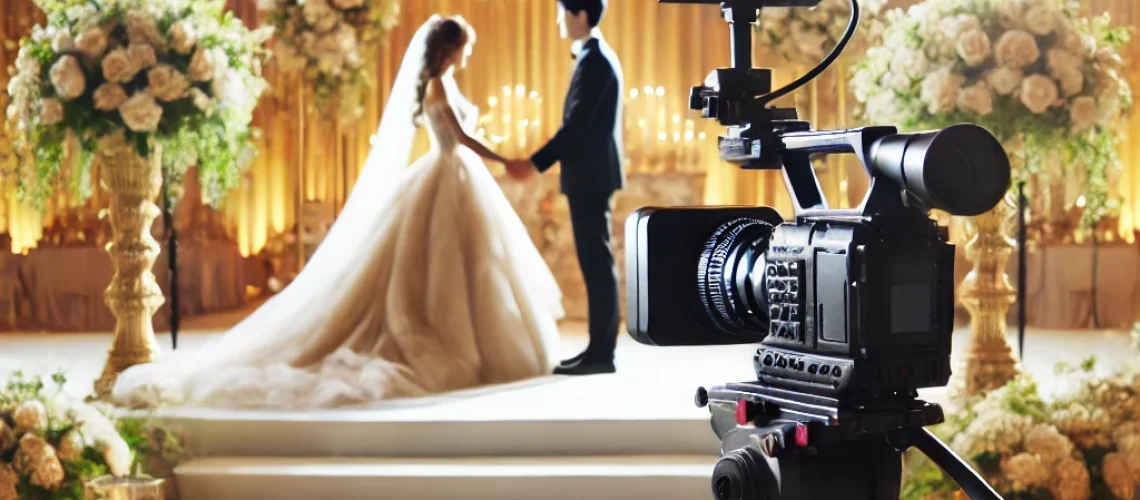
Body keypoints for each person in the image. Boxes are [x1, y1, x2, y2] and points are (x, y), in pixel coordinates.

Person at [111, 15, 565, 409]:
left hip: (455, 174)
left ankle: (477, 342)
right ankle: (461, 343)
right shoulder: (438, 84)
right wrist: (506, 161)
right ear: (450, 48)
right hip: (451, 170)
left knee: (471, 263)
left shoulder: (442, 81)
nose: (467, 55)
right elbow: (461, 139)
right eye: (464, 47)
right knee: (452, 263)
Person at [506, 0, 623, 376]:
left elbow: (575, 128)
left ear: (580, 15)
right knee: (595, 262)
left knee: (597, 263)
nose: (559, 20)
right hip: (589, 175)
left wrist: (534, 163)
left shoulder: (595, 60)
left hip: (590, 176)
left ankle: (601, 354)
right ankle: (597, 349)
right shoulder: (594, 56)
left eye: (562, 13)